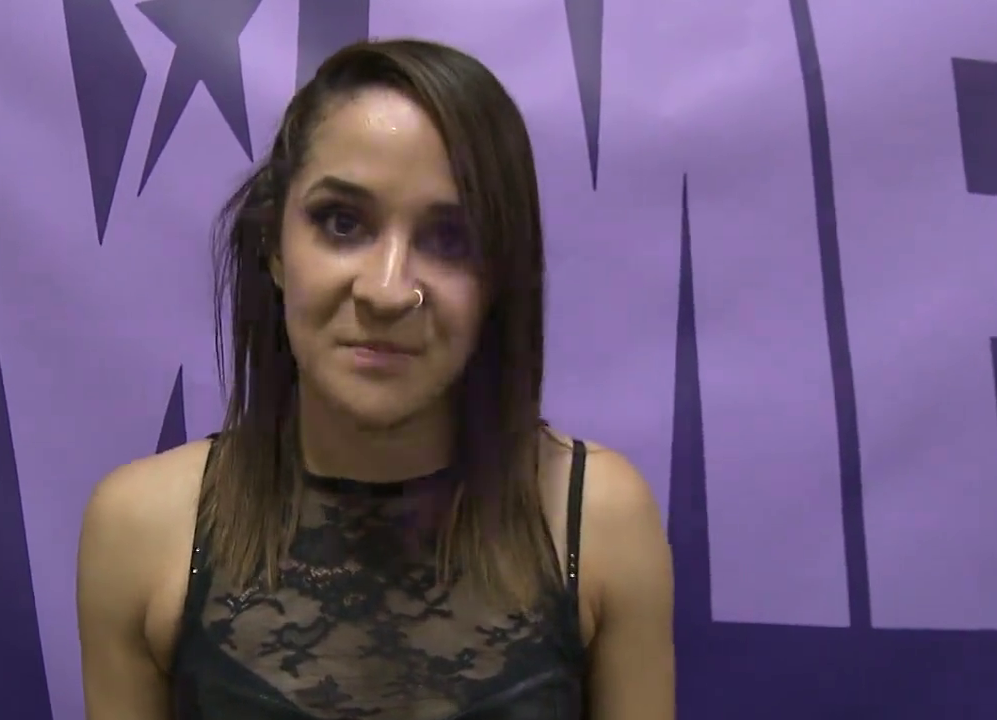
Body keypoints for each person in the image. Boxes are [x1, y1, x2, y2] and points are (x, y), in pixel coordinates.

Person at [76, 38, 674, 720]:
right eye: (342, 223)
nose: (388, 291)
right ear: (274, 247)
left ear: (499, 278)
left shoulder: (601, 522)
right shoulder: (140, 530)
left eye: (450, 239)